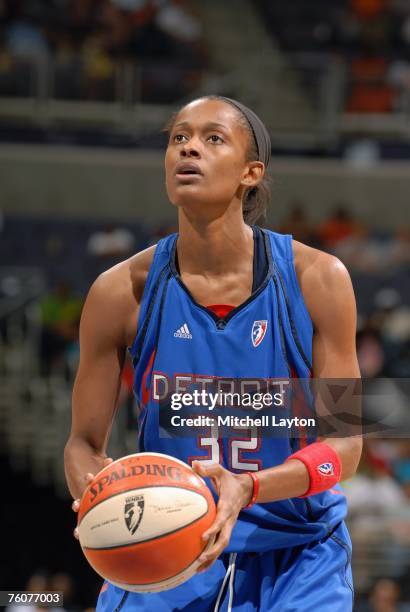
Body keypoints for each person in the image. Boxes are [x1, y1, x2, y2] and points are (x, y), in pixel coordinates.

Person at [64, 95, 362, 611]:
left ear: (251, 172)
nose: (188, 149)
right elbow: (83, 443)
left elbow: (347, 448)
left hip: (296, 552)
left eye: (211, 138)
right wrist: (97, 492)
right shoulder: (119, 292)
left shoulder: (320, 280)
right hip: (168, 546)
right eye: (179, 137)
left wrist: (248, 488)